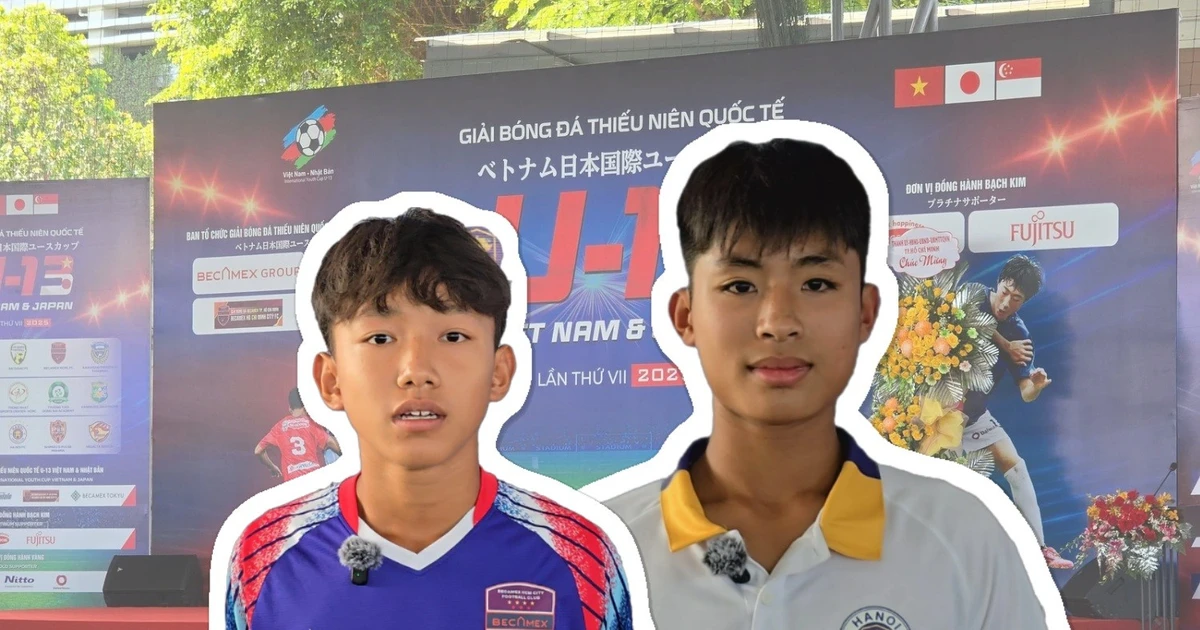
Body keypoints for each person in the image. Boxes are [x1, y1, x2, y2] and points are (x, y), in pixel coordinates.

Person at [603, 138, 1055, 629]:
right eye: (740, 286)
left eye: (816, 284)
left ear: (865, 313)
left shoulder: (966, 544)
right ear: (686, 316)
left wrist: (1029, 379)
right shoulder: (595, 556)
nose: (778, 323)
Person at [225, 208, 633, 630]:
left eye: (453, 336)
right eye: (380, 338)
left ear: (498, 372)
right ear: (331, 380)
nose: (416, 371)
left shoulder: (580, 558)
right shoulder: (264, 556)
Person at [967, 254, 1071, 570]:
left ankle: (1039, 548)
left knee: (1017, 467)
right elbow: (965, 320)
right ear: (998, 282)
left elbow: (1026, 393)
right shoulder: (972, 294)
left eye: (1016, 299)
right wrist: (1004, 344)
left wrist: (1035, 385)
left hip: (973, 417)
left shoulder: (1019, 333)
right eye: (1005, 292)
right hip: (935, 416)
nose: (1005, 303)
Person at [254, 387, 342, 482]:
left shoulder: (280, 426)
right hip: (314, 481)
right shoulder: (311, 424)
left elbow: (258, 450)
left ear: (290, 408)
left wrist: (272, 467)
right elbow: (332, 443)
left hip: (293, 484)